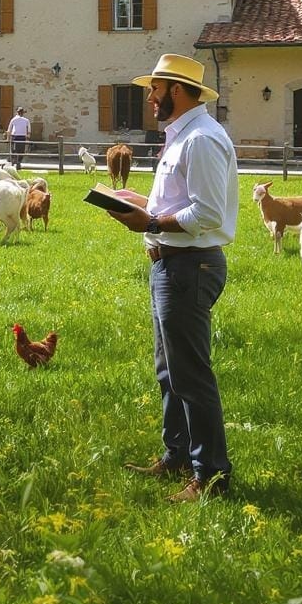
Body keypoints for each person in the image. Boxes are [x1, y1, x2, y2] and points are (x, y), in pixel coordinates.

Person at [107, 54, 237, 502]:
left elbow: (208, 213)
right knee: (170, 371)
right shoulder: (183, 136)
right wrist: (141, 203)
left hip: (189, 266)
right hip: (172, 264)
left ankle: (211, 476)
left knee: (191, 374)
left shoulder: (201, 139)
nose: (149, 97)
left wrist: (149, 222)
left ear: (176, 91)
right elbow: (182, 203)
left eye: (155, 89)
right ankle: (178, 456)